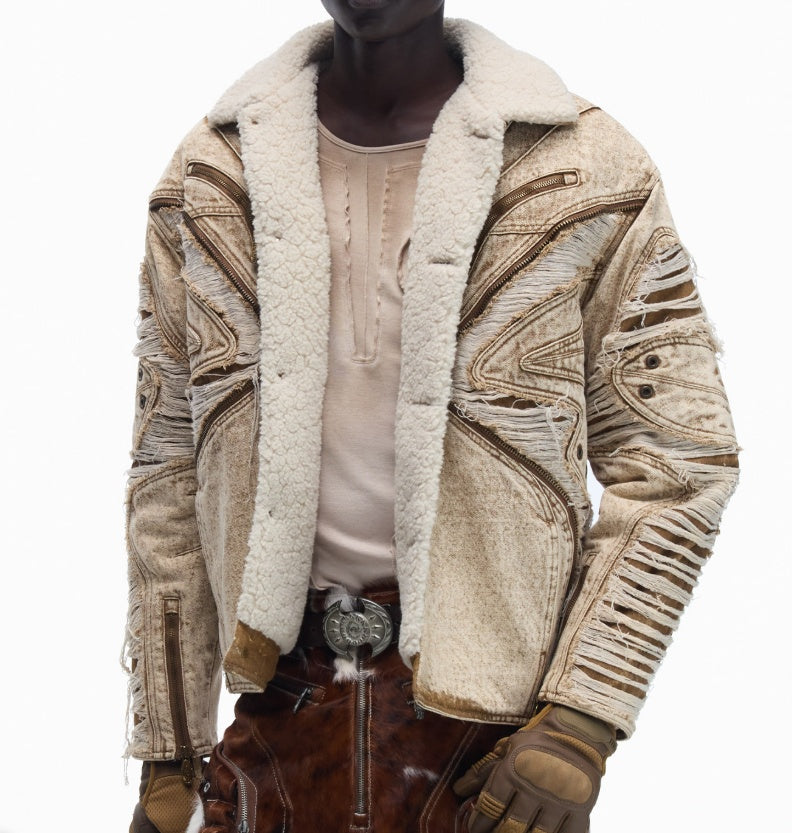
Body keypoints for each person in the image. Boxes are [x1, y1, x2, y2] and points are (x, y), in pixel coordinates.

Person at [123, 2, 739, 832]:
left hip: (493, 743)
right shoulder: (209, 174)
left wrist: (581, 719)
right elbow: (166, 473)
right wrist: (168, 752)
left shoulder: (588, 166)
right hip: (277, 720)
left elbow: (676, 462)